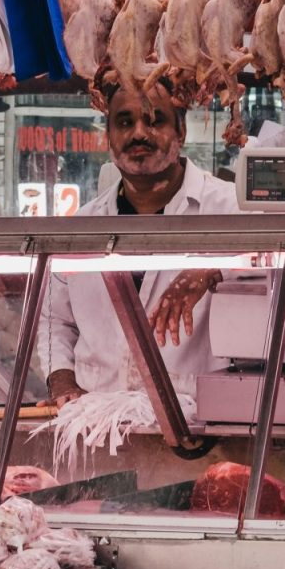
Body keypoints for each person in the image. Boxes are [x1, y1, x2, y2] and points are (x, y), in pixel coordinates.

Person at [40, 67, 243, 409]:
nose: (139, 133)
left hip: (198, 423)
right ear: (108, 137)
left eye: (154, 120)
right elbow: (53, 318)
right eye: (124, 122)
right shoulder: (82, 226)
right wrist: (60, 377)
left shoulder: (230, 207)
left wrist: (215, 267)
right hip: (95, 422)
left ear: (181, 130)